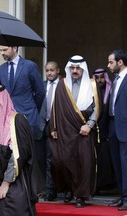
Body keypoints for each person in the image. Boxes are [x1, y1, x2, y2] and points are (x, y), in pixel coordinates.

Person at [0, 84, 38, 216]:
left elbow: (19, 154)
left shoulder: (17, 120)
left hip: (14, 183)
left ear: (2, 100)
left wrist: (6, 183)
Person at [49, 55, 100, 208]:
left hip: (84, 129)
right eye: (73, 68)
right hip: (65, 129)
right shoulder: (62, 84)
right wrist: (54, 127)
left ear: (83, 69)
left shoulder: (92, 84)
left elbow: (97, 108)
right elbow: (55, 107)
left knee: (84, 163)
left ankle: (80, 195)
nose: (75, 71)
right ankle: (69, 189)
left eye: (78, 68)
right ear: (69, 69)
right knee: (62, 160)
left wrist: (89, 125)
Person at [0, 46, 45, 141]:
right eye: (0, 50)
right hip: (7, 119)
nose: (2, 53)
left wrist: (31, 107)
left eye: (5, 50)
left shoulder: (30, 66)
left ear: (15, 48)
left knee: (28, 151)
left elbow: (40, 92)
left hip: (28, 117)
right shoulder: (0, 70)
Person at [106, 49, 127, 211]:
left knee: (125, 163)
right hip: (113, 126)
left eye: (111, 62)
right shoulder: (115, 80)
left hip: (124, 127)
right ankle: (122, 196)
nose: (108, 65)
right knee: (117, 164)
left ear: (120, 62)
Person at [38, 61, 60, 201]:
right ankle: (46, 189)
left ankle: (54, 190)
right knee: (43, 159)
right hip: (42, 126)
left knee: (55, 160)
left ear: (58, 70)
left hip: (57, 127)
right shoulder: (42, 85)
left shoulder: (63, 86)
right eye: (47, 70)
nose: (49, 73)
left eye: (52, 70)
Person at [92, 68, 117, 193]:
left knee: (106, 158)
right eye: (97, 77)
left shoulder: (111, 89)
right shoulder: (91, 90)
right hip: (92, 130)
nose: (99, 80)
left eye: (102, 77)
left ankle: (106, 185)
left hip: (106, 131)